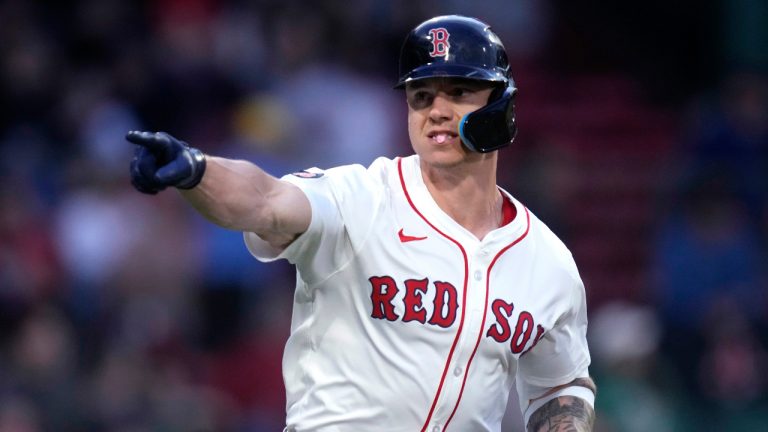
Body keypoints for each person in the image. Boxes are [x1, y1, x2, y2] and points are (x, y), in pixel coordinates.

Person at [126, 15, 596, 432]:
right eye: (421, 95)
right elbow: (266, 200)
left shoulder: (546, 260)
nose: (436, 109)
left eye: (459, 92)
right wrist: (198, 170)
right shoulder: (360, 197)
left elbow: (560, 385)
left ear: (502, 105)